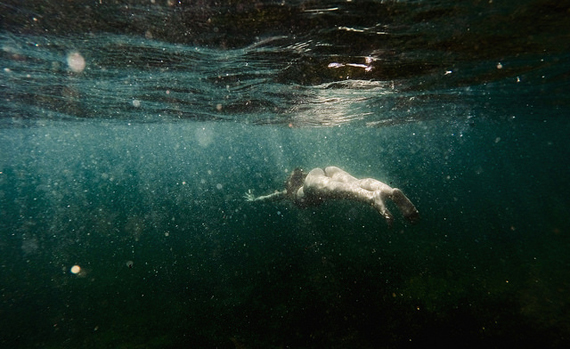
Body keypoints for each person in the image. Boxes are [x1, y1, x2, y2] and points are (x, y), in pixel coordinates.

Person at [244, 166, 419, 226]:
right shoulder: (302, 183)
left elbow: (269, 197)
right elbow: (268, 197)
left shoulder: (293, 192)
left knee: (334, 188)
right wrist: (255, 199)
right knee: (356, 182)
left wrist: (254, 200)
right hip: (327, 170)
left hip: (314, 182)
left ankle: (372, 197)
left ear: (290, 183)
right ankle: (389, 191)